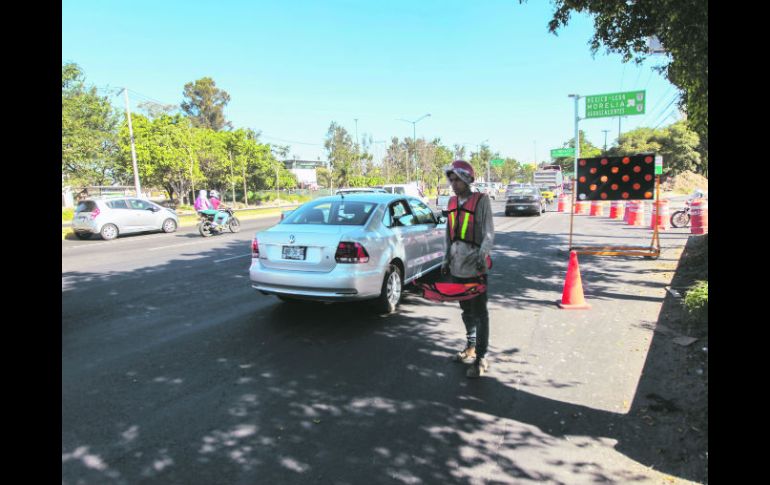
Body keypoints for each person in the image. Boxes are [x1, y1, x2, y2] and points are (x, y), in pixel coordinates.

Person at [441, 160, 495, 378]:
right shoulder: (452, 202)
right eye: (451, 179)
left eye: (457, 179)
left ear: (467, 179)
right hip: (457, 265)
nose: (453, 184)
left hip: (475, 265)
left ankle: (482, 357)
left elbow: (489, 232)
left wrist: (483, 255)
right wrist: (445, 258)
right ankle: (471, 345)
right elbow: (448, 234)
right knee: (465, 310)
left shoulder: (481, 201)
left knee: (480, 313)